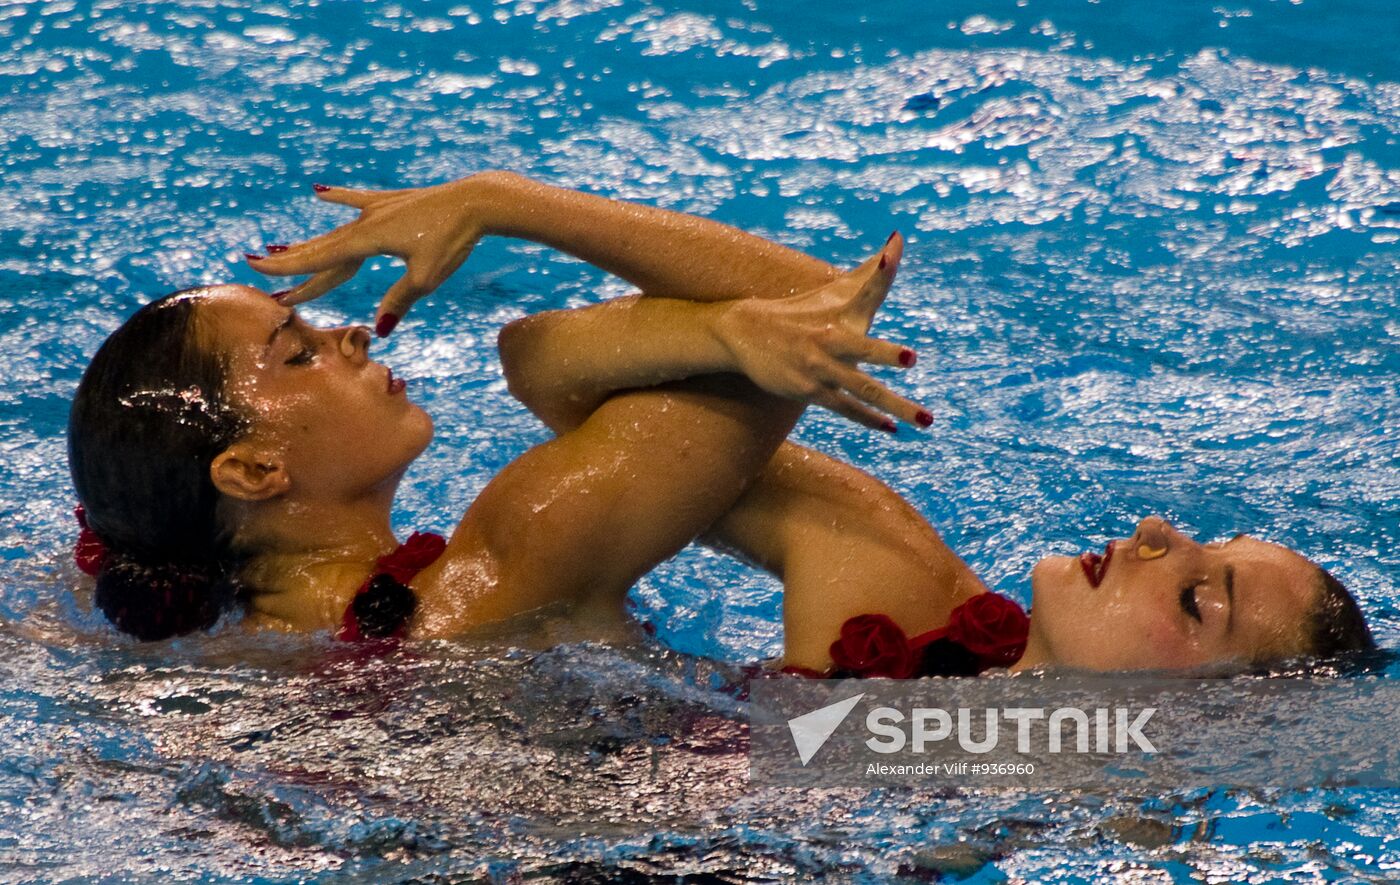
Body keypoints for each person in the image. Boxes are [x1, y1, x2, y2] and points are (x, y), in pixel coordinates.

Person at [71, 171, 1374, 676]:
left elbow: (773, 327)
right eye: (302, 347)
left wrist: (728, 335)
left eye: (1202, 596)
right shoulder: (501, 567)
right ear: (248, 467)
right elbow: (810, 317)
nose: (1156, 529)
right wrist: (724, 333)